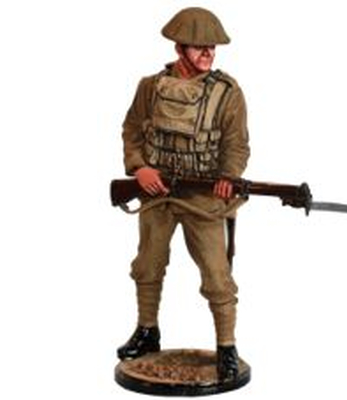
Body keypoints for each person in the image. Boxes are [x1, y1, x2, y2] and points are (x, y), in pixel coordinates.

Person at [116, 7, 250, 382]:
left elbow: (236, 144)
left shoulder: (227, 93)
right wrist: (139, 168)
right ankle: (147, 331)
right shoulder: (150, 87)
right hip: (157, 192)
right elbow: (131, 130)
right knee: (147, 265)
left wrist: (228, 176)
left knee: (217, 275)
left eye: (212, 47)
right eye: (199, 46)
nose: (208, 53)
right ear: (179, 48)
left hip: (203, 199)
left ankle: (227, 348)